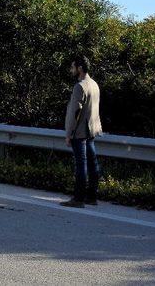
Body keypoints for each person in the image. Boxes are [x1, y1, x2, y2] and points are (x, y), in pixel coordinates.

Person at [61, 55, 102, 208]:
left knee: (81, 165)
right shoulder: (94, 84)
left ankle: (78, 199)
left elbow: (74, 113)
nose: (71, 70)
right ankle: (92, 197)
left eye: (72, 67)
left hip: (79, 132)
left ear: (79, 68)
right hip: (92, 130)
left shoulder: (80, 86)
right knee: (92, 164)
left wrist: (68, 134)